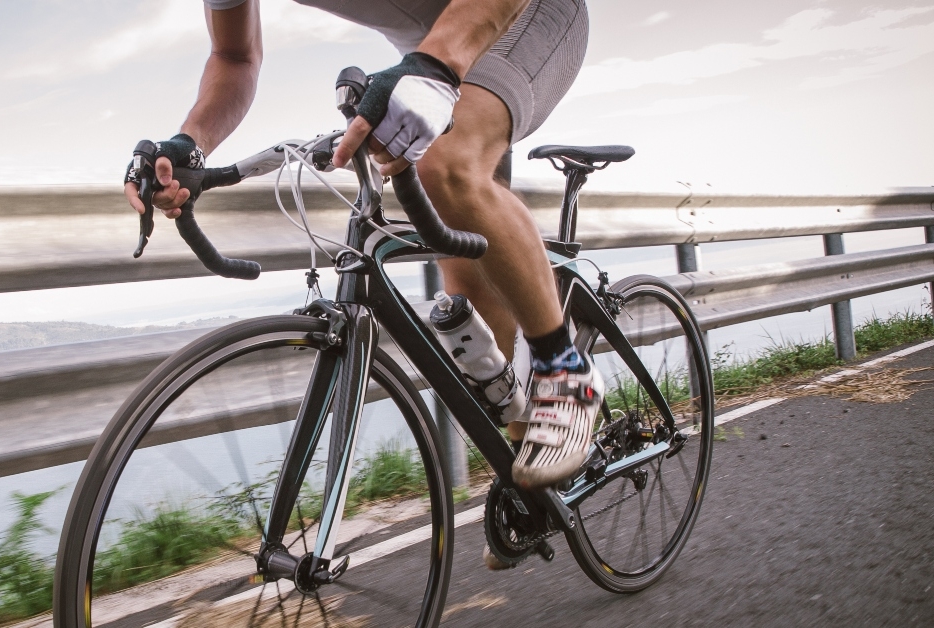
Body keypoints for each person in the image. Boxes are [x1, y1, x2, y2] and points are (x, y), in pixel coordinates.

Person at [123, 0, 600, 568]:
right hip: (434, 44)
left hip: (523, 15)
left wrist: (439, 63)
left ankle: (566, 370)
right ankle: (529, 484)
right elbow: (233, 54)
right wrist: (190, 143)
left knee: (442, 165)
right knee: (470, 304)